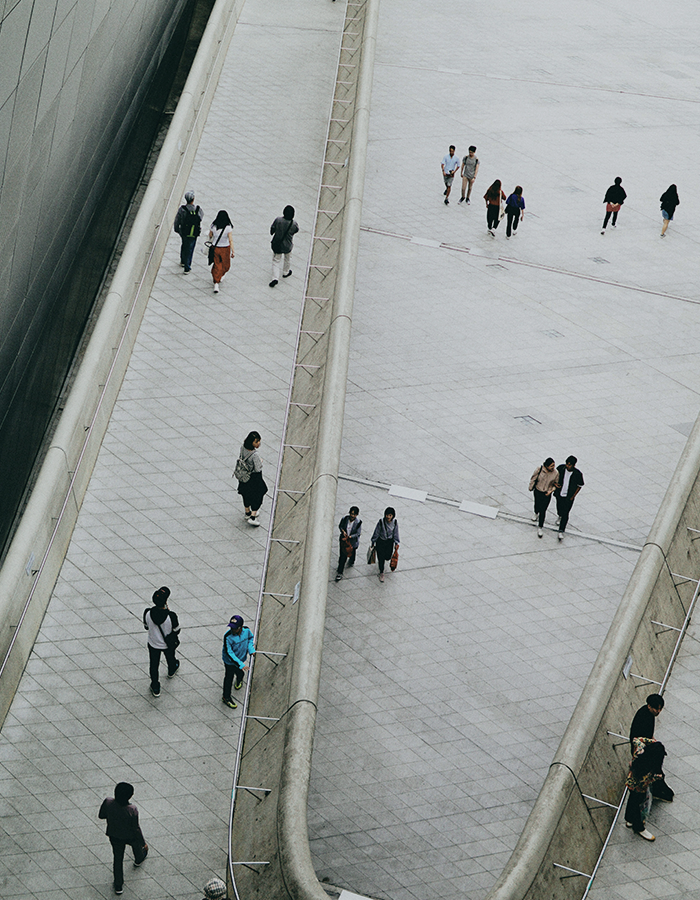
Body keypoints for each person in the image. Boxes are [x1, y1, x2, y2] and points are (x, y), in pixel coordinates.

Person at [98, 782, 148, 894]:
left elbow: (101, 815)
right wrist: (143, 843)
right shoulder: (132, 809)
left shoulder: (108, 802)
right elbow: (136, 828)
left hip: (114, 835)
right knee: (136, 845)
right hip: (129, 836)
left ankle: (118, 885)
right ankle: (139, 858)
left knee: (118, 859)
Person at [630, 694, 674, 801]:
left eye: (660, 709)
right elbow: (640, 739)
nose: (658, 711)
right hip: (642, 750)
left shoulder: (648, 714)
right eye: (656, 708)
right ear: (649, 706)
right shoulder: (644, 717)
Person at [624, 738, 666, 840]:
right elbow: (647, 780)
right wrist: (658, 777)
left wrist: (652, 742)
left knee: (632, 801)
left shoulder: (640, 750)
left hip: (631, 782)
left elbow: (636, 739)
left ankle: (629, 819)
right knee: (637, 805)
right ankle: (639, 827)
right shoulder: (646, 769)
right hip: (638, 787)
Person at [143, 586, 180, 697]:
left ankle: (155, 686)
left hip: (153, 644)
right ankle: (171, 669)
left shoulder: (147, 613)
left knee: (154, 665)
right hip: (167, 645)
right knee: (170, 657)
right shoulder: (171, 616)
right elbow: (177, 630)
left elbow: (146, 627)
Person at [222, 615, 255, 709]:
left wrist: (251, 649)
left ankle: (239, 679)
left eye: (235, 628)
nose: (232, 630)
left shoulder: (247, 631)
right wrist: (240, 664)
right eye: (231, 627)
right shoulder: (228, 637)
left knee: (240, 673)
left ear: (240, 627)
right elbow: (229, 653)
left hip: (241, 658)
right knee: (229, 678)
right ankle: (226, 697)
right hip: (230, 662)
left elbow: (250, 638)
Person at [234, 431, 268, 526]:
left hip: (244, 475)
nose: (259, 443)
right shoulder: (254, 455)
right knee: (260, 492)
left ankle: (247, 512)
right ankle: (253, 516)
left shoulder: (243, 447)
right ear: (251, 442)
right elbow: (257, 468)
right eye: (256, 441)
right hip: (253, 478)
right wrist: (260, 462)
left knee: (246, 493)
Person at [554, 456, 584, 541]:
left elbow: (580, 485)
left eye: (569, 465)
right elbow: (554, 476)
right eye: (567, 464)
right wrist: (555, 484)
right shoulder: (561, 468)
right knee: (559, 507)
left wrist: (573, 496)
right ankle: (559, 515)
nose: (567, 466)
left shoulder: (577, 474)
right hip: (559, 494)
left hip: (568, 497)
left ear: (574, 465)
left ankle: (561, 530)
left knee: (566, 513)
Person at [173, 190, 203, 273]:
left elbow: (177, 220)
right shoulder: (198, 209)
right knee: (190, 248)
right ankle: (187, 266)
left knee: (184, 245)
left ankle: (183, 260)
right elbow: (200, 218)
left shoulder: (182, 209)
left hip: (184, 231)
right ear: (193, 199)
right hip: (194, 232)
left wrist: (177, 229)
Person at [269, 205, 299, 286]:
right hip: (288, 245)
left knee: (276, 261)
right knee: (287, 258)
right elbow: (296, 230)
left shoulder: (278, 220)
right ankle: (286, 272)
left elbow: (272, 229)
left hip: (278, 245)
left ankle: (275, 278)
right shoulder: (294, 224)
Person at [528, 458, 559, 538]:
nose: (553, 467)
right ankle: (536, 513)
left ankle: (540, 526)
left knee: (543, 510)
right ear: (546, 466)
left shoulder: (555, 473)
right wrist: (531, 487)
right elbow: (533, 478)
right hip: (538, 490)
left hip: (547, 493)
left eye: (554, 465)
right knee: (537, 504)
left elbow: (556, 484)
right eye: (551, 466)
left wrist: (551, 491)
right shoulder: (540, 469)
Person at [371, 507, 400, 583]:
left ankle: (383, 562)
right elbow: (377, 532)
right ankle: (381, 572)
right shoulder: (381, 522)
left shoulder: (395, 523)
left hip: (389, 542)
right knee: (381, 558)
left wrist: (396, 543)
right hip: (381, 541)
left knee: (388, 556)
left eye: (390, 515)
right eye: (387, 515)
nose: (388, 517)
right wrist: (373, 541)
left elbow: (396, 532)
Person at [208, 210, 234, 293]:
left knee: (217, 264)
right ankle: (218, 278)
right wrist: (233, 251)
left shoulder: (213, 226)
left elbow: (210, 235)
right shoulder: (228, 228)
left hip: (215, 248)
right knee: (226, 265)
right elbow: (230, 240)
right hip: (225, 248)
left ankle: (216, 280)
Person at [335, 506, 362, 581]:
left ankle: (352, 560)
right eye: (351, 513)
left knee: (352, 552)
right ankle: (340, 571)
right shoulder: (345, 519)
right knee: (342, 556)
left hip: (352, 542)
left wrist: (350, 537)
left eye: (354, 514)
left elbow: (358, 533)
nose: (352, 516)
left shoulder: (358, 522)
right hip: (344, 541)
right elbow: (340, 526)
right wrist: (343, 531)